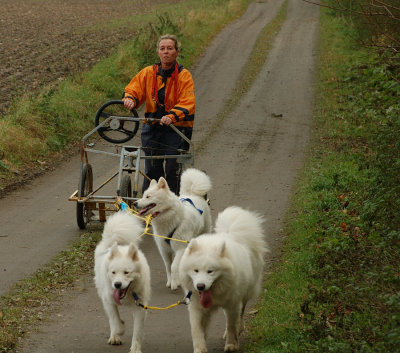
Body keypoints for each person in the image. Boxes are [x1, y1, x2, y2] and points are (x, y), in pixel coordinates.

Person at [122, 34, 195, 195]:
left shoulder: (184, 76)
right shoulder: (148, 73)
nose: (166, 52)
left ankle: (173, 204)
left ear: (176, 52)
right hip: (152, 128)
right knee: (152, 169)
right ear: (158, 52)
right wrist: (130, 100)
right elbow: (134, 89)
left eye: (170, 48)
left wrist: (171, 116)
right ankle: (149, 206)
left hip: (177, 129)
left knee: (172, 169)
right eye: (162, 49)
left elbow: (188, 102)